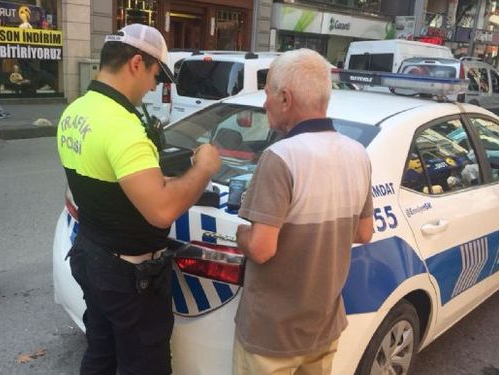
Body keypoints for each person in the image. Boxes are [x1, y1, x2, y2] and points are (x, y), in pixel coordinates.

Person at [57, 23, 221, 375]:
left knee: (101, 352)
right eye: (155, 76)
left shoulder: (76, 111)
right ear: (136, 63)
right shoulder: (122, 125)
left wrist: (161, 177)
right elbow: (161, 210)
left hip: (91, 255)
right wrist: (203, 169)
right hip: (127, 275)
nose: (153, 87)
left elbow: (108, 181)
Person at [232, 49, 374, 375]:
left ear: (285, 98)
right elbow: (364, 233)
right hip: (323, 327)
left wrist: (241, 234)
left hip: (272, 336)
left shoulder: (281, 157)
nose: (264, 102)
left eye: (267, 93)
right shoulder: (358, 154)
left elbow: (262, 248)